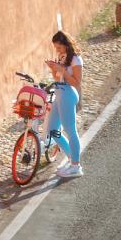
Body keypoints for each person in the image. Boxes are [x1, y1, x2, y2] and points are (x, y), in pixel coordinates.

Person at [44, 30, 83, 178]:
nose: (57, 50)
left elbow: (77, 82)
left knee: (70, 130)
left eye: (59, 47)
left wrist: (62, 71)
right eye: (56, 48)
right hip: (59, 93)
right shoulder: (62, 56)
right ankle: (71, 157)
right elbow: (57, 77)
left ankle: (76, 166)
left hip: (68, 94)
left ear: (66, 45)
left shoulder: (76, 60)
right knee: (52, 129)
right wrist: (54, 68)